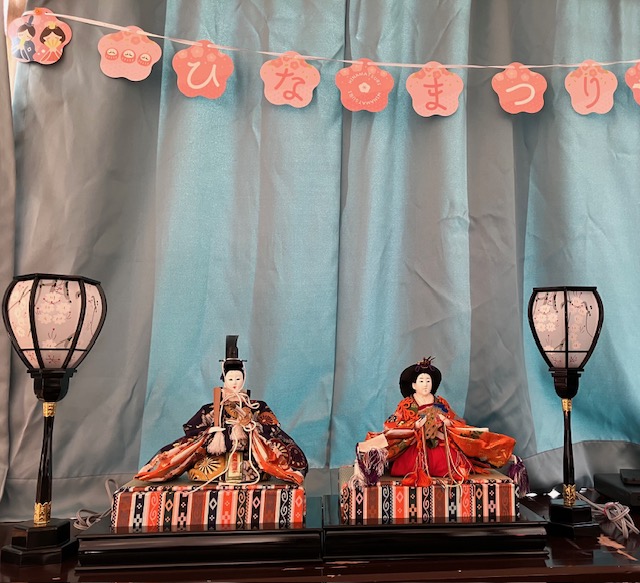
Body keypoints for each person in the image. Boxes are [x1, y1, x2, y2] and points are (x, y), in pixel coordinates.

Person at [136, 337, 308, 486]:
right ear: (224, 379)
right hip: (216, 456)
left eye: (238, 378)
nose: (235, 382)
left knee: (261, 461)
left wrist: (253, 426)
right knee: (200, 464)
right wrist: (210, 431)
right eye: (231, 378)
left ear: (244, 378)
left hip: (249, 456)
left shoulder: (255, 406)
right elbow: (192, 428)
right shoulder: (211, 408)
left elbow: (272, 426)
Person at [352, 357, 516, 487]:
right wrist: (415, 425)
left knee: (454, 460)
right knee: (404, 463)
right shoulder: (406, 404)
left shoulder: (440, 402)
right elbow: (392, 425)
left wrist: (446, 422)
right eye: (421, 381)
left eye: (428, 381)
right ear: (414, 385)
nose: (425, 384)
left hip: (439, 442)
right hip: (415, 444)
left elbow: (456, 421)